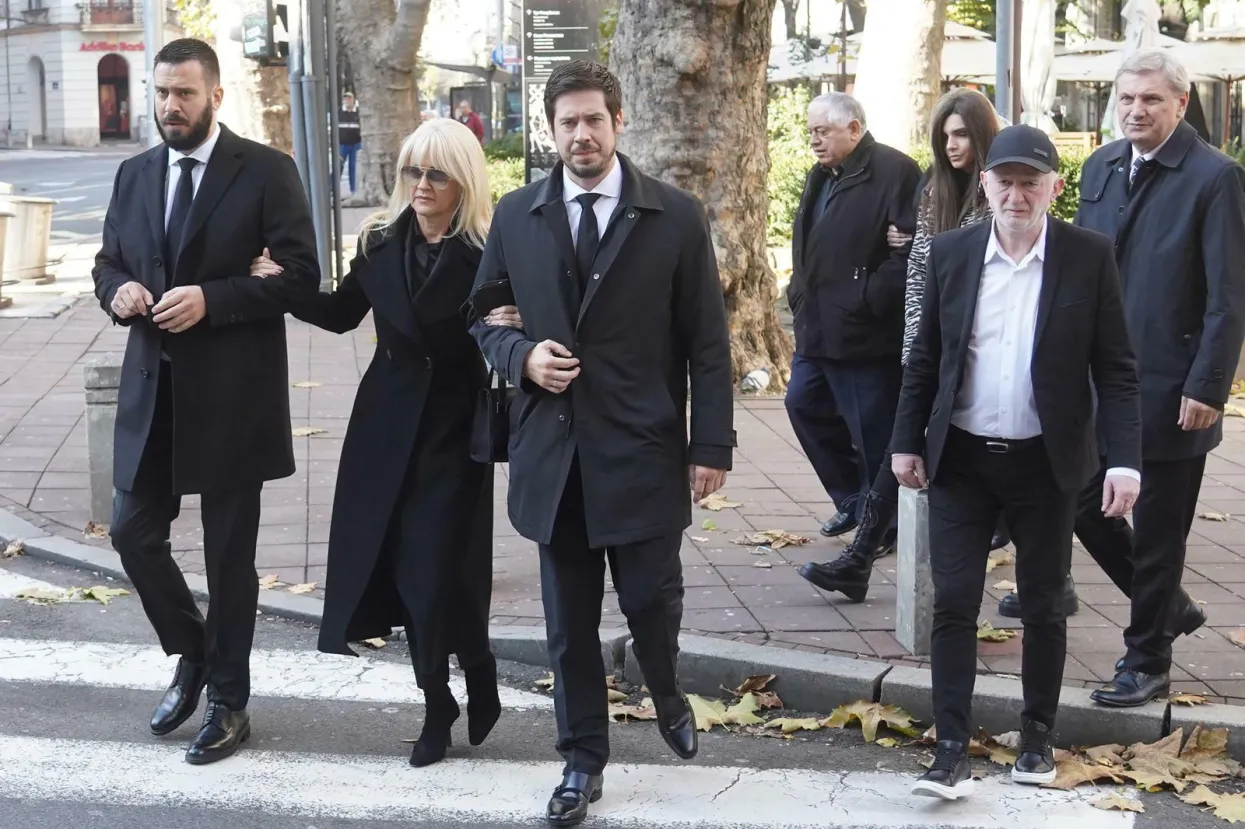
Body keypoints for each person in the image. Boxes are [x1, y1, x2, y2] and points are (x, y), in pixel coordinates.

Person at [470, 59, 735, 827]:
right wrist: (522, 358)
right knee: (567, 627)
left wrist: (708, 443)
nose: (580, 134)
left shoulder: (675, 216)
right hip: (554, 457)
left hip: (644, 447)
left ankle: (665, 686)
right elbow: (481, 316)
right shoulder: (518, 214)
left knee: (652, 601)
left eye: (593, 119)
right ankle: (581, 759)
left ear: (618, 122)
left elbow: (707, 345)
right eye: (566, 123)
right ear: (550, 133)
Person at [892, 125, 1142, 800]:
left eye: (1031, 182)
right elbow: (924, 358)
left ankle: (1035, 736)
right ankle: (948, 747)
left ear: (1053, 189)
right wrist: (904, 439)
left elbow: (1115, 369)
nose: (1017, 193)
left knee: (1042, 603)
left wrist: (1124, 461)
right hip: (962, 460)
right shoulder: (951, 253)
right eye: (1005, 181)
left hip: (1045, 463)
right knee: (952, 600)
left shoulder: (1087, 257)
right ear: (985, 185)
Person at [90, 38, 319, 764]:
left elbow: (302, 277)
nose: (168, 106)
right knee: (131, 532)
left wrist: (214, 299)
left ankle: (229, 699)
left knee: (229, 559)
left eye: (184, 93)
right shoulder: (133, 175)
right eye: (161, 92)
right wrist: (116, 291)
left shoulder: (267, 172)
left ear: (215, 96)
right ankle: (194, 651)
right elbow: (107, 262)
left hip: (232, 397)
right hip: (152, 391)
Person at [248, 118, 500, 766]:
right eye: (412, 170)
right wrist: (280, 284)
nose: (420, 184)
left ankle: (475, 667)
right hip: (383, 431)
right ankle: (437, 700)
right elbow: (339, 313)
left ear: (461, 182)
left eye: (435, 173)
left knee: (437, 571)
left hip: (452, 433)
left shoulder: (485, 254)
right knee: (401, 569)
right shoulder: (381, 244)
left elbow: (511, 329)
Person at [1068, 49, 1245, 708]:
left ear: (1178, 103)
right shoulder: (1100, 165)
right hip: (1098, 383)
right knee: (1082, 502)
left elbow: (1229, 294)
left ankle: (1146, 659)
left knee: (1160, 528)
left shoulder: (1213, 177)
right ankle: (1166, 604)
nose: (1135, 111)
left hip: (1173, 388)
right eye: (1125, 99)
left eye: (1149, 100)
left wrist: (1208, 385)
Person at [798, 88, 1013, 603]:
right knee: (903, 445)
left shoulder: (1001, 191)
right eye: (945, 136)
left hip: (990, 351)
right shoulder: (935, 191)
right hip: (932, 349)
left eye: (961, 134)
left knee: (1009, 461)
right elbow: (920, 273)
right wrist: (917, 348)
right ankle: (860, 558)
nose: (952, 144)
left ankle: (1050, 571)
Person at [783, 93, 921, 548]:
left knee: (871, 429)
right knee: (802, 403)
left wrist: (867, 297)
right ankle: (853, 500)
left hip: (863, 333)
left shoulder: (894, 171)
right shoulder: (820, 175)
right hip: (817, 324)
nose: (814, 140)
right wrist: (797, 293)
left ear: (855, 129)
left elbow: (910, 251)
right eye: (810, 132)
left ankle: (887, 525)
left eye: (822, 131)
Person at [339, 91, 361, 194]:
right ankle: (332, 189)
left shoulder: (358, 113)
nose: (347, 100)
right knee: (338, 166)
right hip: (342, 144)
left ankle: (354, 190)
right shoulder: (339, 112)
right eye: (346, 98)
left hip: (356, 144)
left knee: (354, 168)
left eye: (349, 98)